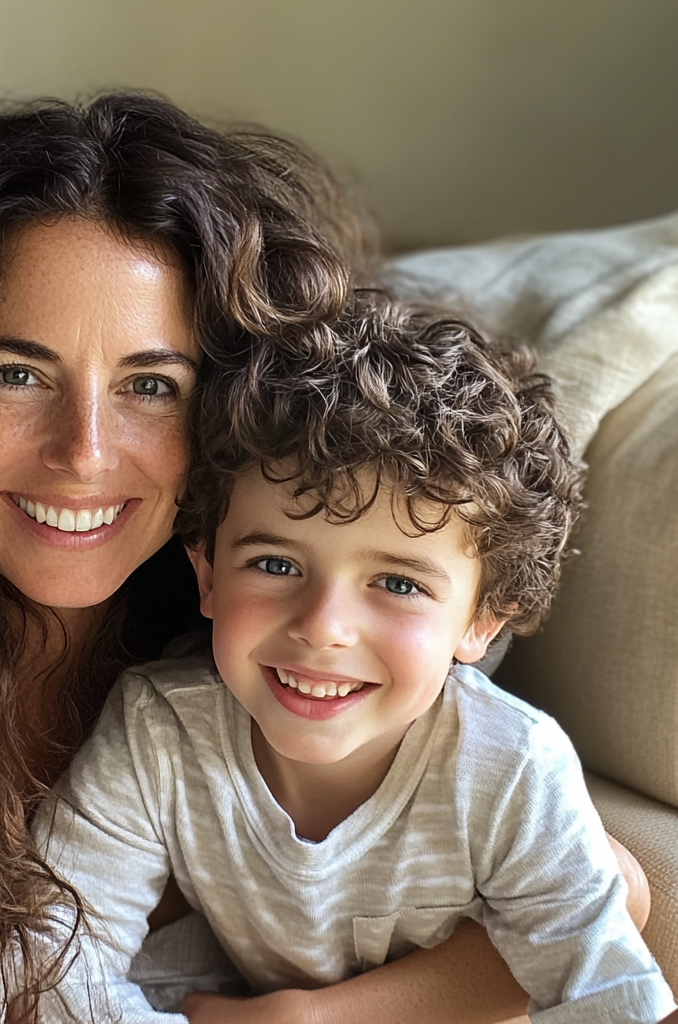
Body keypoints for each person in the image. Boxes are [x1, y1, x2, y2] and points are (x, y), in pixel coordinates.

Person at [0, 93, 649, 1024]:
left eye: (152, 385)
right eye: (14, 372)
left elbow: (607, 893)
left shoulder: (285, 651)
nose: (83, 451)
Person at [33, 292, 677, 1024]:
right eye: (275, 565)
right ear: (208, 573)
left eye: (398, 583)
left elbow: (612, 998)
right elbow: (56, 962)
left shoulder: (512, 768)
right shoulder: (159, 729)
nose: (324, 627)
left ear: (480, 624)